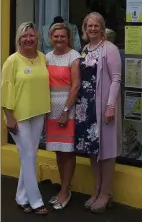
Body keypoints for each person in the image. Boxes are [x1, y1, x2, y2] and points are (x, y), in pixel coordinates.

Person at [75, 12, 122, 213]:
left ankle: (105, 193)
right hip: (87, 106)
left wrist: (110, 105)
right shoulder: (85, 49)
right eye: (89, 25)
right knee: (93, 151)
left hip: (103, 107)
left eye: (96, 25)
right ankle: (96, 190)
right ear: (85, 28)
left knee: (107, 151)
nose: (92, 29)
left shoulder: (109, 49)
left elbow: (116, 78)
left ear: (102, 28)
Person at [1, 22, 50, 215]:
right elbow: (5, 90)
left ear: (37, 38)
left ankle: (21, 197)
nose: (28, 39)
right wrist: (8, 116)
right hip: (18, 116)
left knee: (29, 156)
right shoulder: (12, 61)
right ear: (19, 39)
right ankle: (36, 201)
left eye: (32, 35)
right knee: (29, 155)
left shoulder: (42, 58)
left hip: (38, 113)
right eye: (24, 36)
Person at [45, 23, 81, 210]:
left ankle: (65, 191)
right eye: (55, 36)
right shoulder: (47, 57)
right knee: (58, 151)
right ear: (50, 38)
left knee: (67, 152)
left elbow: (75, 86)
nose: (59, 39)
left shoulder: (74, 56)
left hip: (67, 109)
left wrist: (66, 111)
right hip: (51, 110)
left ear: (69, 38)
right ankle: (64, 188)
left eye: (63, 36)